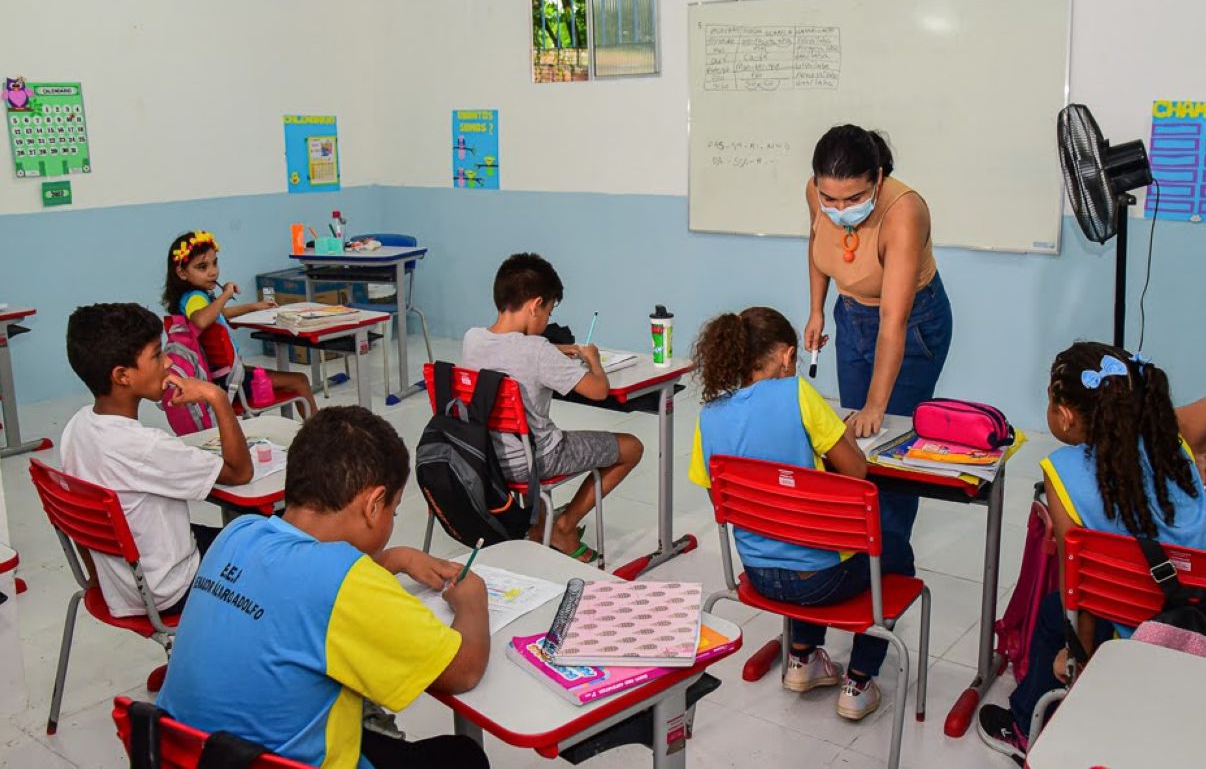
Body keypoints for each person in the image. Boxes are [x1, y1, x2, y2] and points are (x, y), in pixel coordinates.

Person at [158, 406, 490, 769]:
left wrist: (394, 559)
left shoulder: (237, 534)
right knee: (463, 756)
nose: (392, 519)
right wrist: (473, 600)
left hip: (188, 756)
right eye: (393, 511)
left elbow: (297, 586)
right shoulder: (347, 583)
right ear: (373, 505)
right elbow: (463, 671)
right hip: (280, 761)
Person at [978, 342, 1206, 761]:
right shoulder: (1173, 435)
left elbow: (1077, 588)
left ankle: (1023, 728)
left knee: (1055, 610)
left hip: (1150, 633)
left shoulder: (1062, 473)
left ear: (1065, 415)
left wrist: (1078, 657)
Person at [688, 306, 906, 721]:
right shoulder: (797, 393)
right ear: (787, 355)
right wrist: (838, 434)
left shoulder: (709, 415)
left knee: (795, 540)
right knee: (896, 552)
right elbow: (856, 470)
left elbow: (719, 499)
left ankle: (803, 658)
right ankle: (859, 681)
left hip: (757, 575)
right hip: (822, 579)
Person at [803, 124, 952, 691]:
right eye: (830, 197)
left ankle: (867, 656)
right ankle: (820, 625)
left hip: (911, 328)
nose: (840, 209)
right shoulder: (818, 193)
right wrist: (816, 309)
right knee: (848, 466)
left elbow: (894, 320)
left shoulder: (904, 212)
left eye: (853, 198)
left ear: (879, 179)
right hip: (851, 317)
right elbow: (816, 246)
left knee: (887, 469)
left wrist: (874, 405)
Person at [61, 303, 252, 618]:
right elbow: (240, 471)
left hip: (123, 579)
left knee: (237, 533)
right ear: (122, 375)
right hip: (172, 588)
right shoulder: (146, 447)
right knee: (267, 540)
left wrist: (99, 580)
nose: (169, 362)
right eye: (157, 355)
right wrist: (216, 397)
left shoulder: (76, 427)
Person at [461, 252, 643, 562]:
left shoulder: (472, 339)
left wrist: (554, 349)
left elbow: (511, 349)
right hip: (535, 460)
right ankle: (563, 526)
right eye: (548, 310)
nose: (547, 319)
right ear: (535, 305)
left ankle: (540, 525)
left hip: (484, 456)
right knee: (632, 447)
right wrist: (593, 360)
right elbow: (598, 390)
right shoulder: (537, 350)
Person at [161, 229, 317, 417]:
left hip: (221, 375)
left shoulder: (192, 298)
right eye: (202, 267)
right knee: (300, 380)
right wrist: (226, 295)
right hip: (229, 383)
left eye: (214, 263)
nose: (212, 272)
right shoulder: (195, 297)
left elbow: (219, 315)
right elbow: (201, 320)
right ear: (182, 273)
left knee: (275, 374)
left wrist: (253, 306)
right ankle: (318, 431)